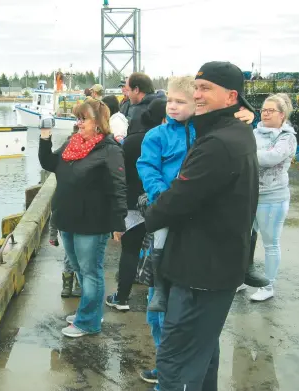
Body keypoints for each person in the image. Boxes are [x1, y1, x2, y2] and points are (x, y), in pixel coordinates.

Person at [143, 61, 259, 390]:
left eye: (206, 88)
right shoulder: (233, 131)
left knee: (175, 361)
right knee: (203, 353)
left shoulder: (218, 142)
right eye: (196, 87)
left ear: (231, 96)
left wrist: (146, 218)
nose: (197, 94)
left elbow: (179, 196)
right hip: (216, 266)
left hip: (201, 271)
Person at [39, 99, 127, 338]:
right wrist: (45, 137)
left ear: (98, 123)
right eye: (77, 118)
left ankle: (88, 322)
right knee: (79, 268)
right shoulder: (72, 143)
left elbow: (118, 187)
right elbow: (49, 163)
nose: (78, 124)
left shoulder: (110, 149)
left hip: (92, 222)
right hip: (68, 218)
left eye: (83, 119)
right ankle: (88, 312)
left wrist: (119, 223)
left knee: (90, 272)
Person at [105, 98, 168, 312]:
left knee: (130, 250)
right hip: (162, 202)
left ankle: (121, 297)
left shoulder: (132, 141)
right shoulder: (171, 138)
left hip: (133, 203)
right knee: (160, 249)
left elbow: (119, 176)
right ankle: (159, 295)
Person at [244, 93, 297, 301]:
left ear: (282, 115)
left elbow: (270, 158)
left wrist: (246, 152)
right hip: (250, 195)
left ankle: (268, 285)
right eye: (263, 110)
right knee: (245, 238)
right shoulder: (254, 132)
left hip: (272, 198)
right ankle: (244, 277)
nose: (265, 113)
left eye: (270, 110)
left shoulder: (287, 137)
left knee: (270, 243)